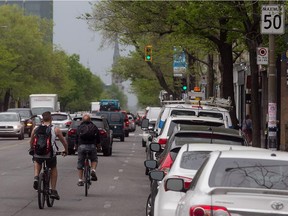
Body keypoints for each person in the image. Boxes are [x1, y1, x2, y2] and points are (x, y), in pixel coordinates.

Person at [29, 111, 68, 200]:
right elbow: (64, 142)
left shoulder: (36, 128)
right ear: (51, 119)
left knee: (37, 161)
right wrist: (66, 150)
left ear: (42, 119)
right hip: (50, 154)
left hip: (38, 153)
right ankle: (53, 190)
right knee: (53, 168)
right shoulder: (55, 129)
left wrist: (32, 148)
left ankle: (36, 177)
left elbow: (31, 140)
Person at [76, 113, 100, 186]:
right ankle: (93, 170)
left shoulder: (79, 127)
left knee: (80, 163)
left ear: (82, 120)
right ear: (90, 120)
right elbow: (98, 138)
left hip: (82, 146)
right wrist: (98, 146)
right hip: (92, 146)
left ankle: (80, 180)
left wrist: (76, 146)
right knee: (94, 159)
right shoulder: (94, 127)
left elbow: (76, 138)